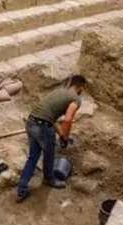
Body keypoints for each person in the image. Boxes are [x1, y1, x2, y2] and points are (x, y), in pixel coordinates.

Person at [16, 75, 86, 203]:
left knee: (33, 157)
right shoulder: (75, 98)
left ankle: (21, 190)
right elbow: (68, 119)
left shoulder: (58, 91)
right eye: (82, 88)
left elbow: (51, 118)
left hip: (31, 122)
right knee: (49, 154)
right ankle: (49, 179)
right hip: (42, 127)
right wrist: (65, 136)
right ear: (80, 87)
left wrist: (62, 134)